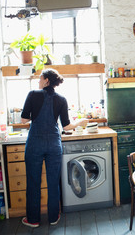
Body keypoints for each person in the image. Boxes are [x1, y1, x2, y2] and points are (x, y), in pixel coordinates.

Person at [20, 68, 87, 228]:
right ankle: (53, 217)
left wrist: (37, 123)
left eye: (40, 78)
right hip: (54, 145)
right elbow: (67, 126)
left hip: (35, 144)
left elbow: (23, 120)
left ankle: (33, 219)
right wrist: (81, 122)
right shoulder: (62, 99)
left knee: (33, 182)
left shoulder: (32, 94)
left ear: (46, 80)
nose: (38, 81)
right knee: (53, 182)